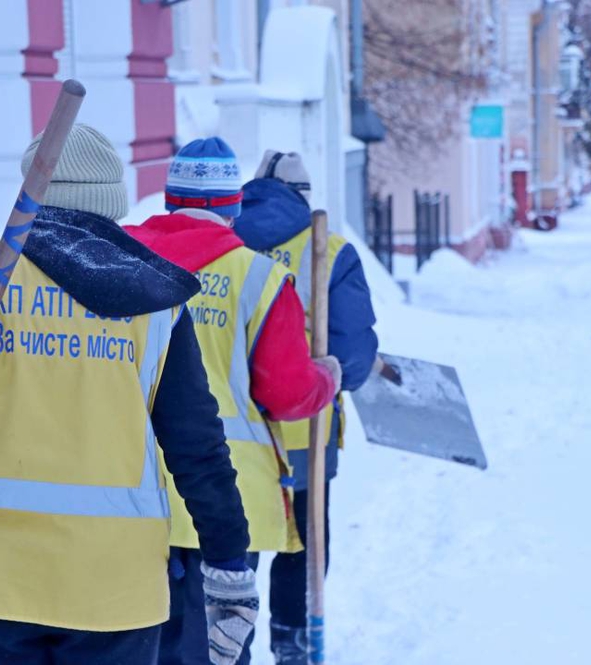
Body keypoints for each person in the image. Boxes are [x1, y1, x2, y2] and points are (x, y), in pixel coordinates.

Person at [0, 125, 258, 665]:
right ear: (111, 202)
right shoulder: (157, 301)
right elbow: (198, 450)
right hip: (116, 587)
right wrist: (228, 564)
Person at [124, 137, 342, 665]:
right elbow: (287, 393)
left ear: (169, 197)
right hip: (222, 501)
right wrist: (326, 379)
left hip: (123, 488)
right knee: (212, 652)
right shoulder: (258, 276)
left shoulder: (119, 260)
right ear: (233, 204)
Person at [236, 150, 379, 664]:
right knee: (302, 543)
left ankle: (232, 645)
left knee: (235, 546)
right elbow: (354, 357)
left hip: (228, 438)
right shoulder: (330, 251)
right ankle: (293, 644)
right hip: (305, 435)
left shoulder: (225, 244)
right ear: (305, 197)